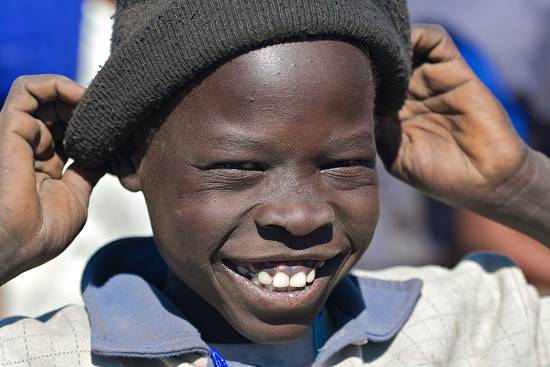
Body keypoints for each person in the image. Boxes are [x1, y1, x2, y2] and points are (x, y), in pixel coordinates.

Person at [0, 2, 548, 366]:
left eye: (342, 164)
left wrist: (517, 184)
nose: (302, 215)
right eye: (238, 167)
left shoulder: (467, 327)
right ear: (132, 157)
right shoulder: (45, 354)